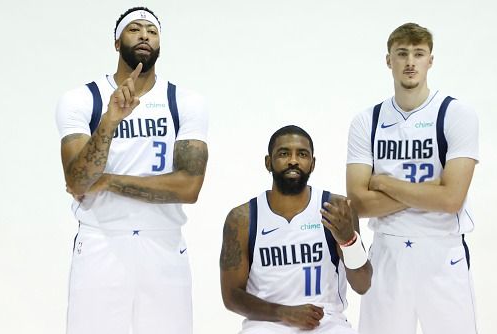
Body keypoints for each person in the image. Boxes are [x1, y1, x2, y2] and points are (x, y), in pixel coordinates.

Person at [55, 7, 208, 334]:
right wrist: (109, 120)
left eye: (151, 31)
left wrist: (108, 181)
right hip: (100, 243)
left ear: (160, 45)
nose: (144, 36)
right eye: (134, 29)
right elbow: (78, 179)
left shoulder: (184, 101)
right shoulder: (83, 99)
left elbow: (189, 186)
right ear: (116, 41)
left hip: (163, 245)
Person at [346, 23, 479, 334]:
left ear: (430, 60)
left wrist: (383, 182)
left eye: (418, 54)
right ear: (388, 60)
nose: (410, 62)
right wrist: (430, 190)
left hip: (442, 254)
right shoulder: (368, 121)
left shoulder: (456, 114)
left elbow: (451, 200)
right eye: (401, 53)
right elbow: (359, 203)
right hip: (388, 254)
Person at [220, 125, 372, 334]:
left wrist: (348, 241)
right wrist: (284, 312)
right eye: (284, 153)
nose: (293, 160)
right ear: (268, 162)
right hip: (265, 325)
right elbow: (231, 296)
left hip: (325, 324)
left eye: (302, 154)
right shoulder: (242, 218)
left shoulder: (337, 208)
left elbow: (362, 284)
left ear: (312, 163)